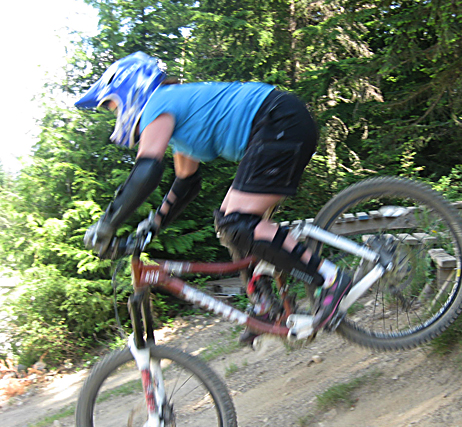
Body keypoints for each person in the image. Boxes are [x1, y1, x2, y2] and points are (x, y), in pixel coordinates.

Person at [77, 51, 351, 343]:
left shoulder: (158, 104)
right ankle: (264, 306)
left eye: (112, 106)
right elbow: (186, 183)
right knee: (230, 223)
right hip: (279, 122)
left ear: (129, 90)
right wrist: (153, 226)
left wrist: (107, 224)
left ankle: (329, 279)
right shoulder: (175, 112)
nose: (116, 115)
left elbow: (146, 170)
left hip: (277, 122)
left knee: (237, 222)